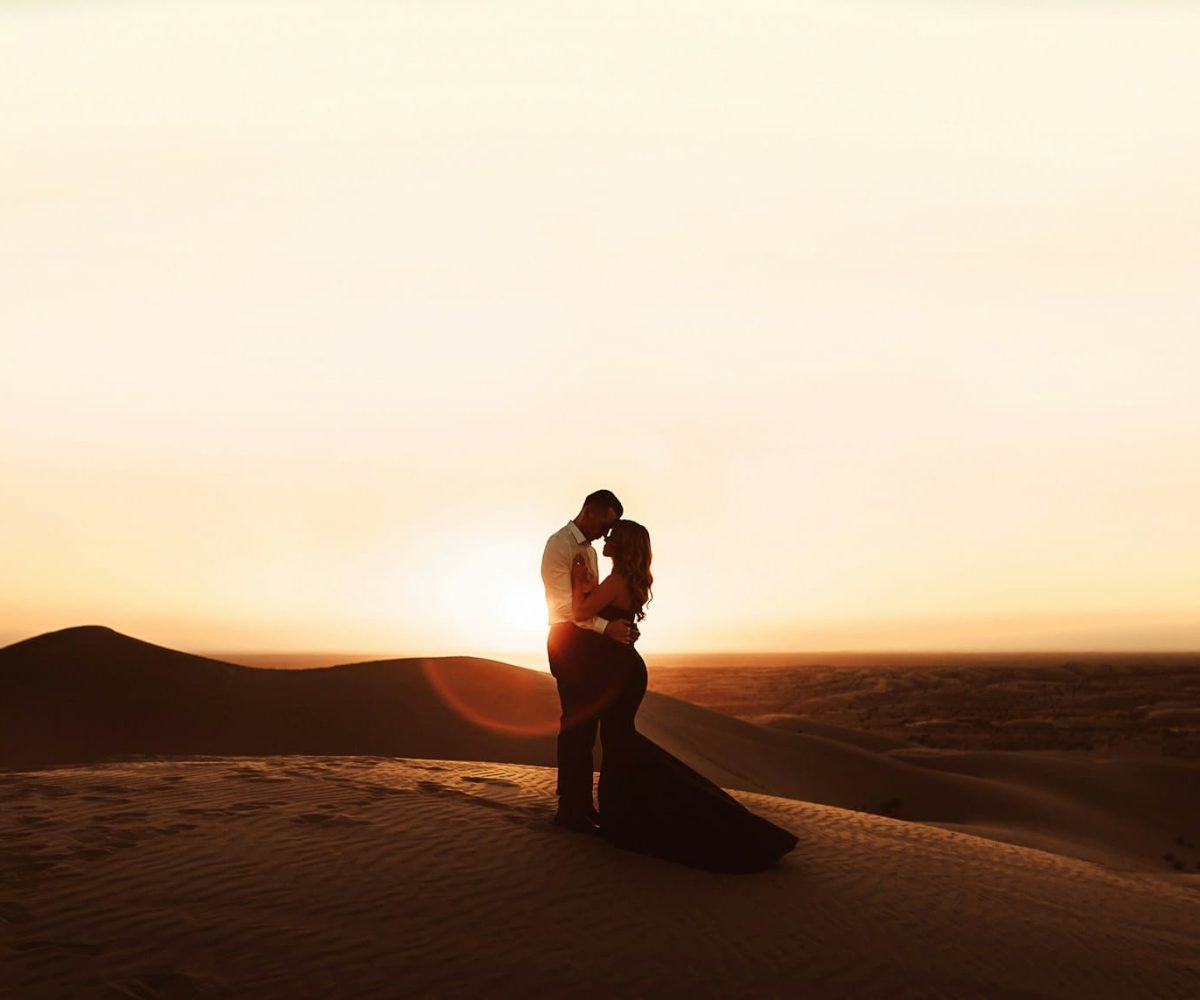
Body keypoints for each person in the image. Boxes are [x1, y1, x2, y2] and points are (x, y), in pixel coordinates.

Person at [570, 519, 799, 873]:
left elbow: (580, 612)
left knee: (618, 742)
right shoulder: (627, 580)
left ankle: (632, 819)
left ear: (624, 544)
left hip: (618, 672)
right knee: (620, 741)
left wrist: (576, 580)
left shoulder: (617, 580)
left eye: (614, 536)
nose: (607, 539)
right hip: (626, 669)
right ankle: (625, 817)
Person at [540, 489, 639, 834]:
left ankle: (582, 805)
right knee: (575, 726)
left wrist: (618, 626)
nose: (606, 533)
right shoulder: (560, 545)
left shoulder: (591, 552)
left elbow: (592, 601)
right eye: (605, 524)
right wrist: (607, 628)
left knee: (587, 728)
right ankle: (570, 809)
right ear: (591, 510)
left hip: (589, 646)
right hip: (567, 642)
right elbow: (564, 608)